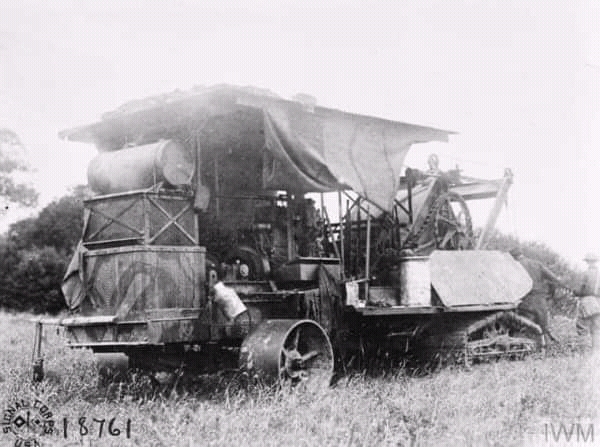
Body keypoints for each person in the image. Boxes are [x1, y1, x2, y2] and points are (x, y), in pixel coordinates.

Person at [510, 247, 566, 343]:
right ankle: (546, 351)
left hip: (524, 301)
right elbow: (555, 280)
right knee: (543, 327)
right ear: (522, 254)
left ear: (513, 257)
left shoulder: (513, 266)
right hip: (540, 300)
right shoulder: (536, 264)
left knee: (525, 328)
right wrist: (550, 294)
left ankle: (530, 352)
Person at [576, 253, 600, 353]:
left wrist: (575, 292)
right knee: (597, 328)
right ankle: (596, 352)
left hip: (587, 301)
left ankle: (584, 352)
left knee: (582, 327)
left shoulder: (586, 273)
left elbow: (581, 289)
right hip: (598, 302)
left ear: (588, 262)